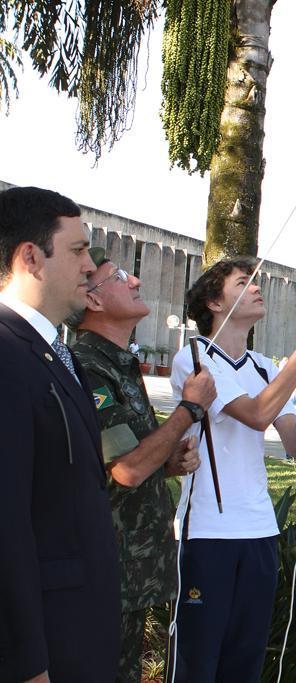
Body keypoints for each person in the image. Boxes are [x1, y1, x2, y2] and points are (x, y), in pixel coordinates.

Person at [170, 256, 296, 681]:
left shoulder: (263, 365)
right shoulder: (193, 357)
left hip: (259, 530)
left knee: (245, 660)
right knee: (199, 659)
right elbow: (257, 415)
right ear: (215, 303)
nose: (257, 288)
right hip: (208, 532)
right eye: (244, 283)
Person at [69, 247, 218, 682]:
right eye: (119, 276)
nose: (135, 281)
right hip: (105, 574)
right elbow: (127, 470)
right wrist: (189, 410)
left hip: (130, 573)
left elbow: (128, 459)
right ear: (93, 300)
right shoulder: (88, 366)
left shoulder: (119, 363)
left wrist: (168, 460)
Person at [0, 186, 121, 681]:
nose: (91, 266)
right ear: (31, 257)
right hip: (45, 646)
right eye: (77, 250)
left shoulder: (55, 352)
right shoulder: (6, 354)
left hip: (78, 628)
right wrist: (27, 664)